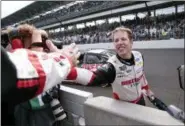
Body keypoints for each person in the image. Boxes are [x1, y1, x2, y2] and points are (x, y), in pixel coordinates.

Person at [1, 28, 80, 125]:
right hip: (31, 114)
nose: (43, 48)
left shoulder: (48, 64)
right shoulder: (21, 70)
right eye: (39, 42)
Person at [67, 27, 155, 106]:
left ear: (131, 42)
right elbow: (92, 77)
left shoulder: (139, 55)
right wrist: (65, 68)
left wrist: (147, 89)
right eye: (116, 40)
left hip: (141, 101)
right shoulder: (112, 66)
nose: (119, 43)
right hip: (123, 107)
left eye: (123, 39)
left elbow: (141, 74)